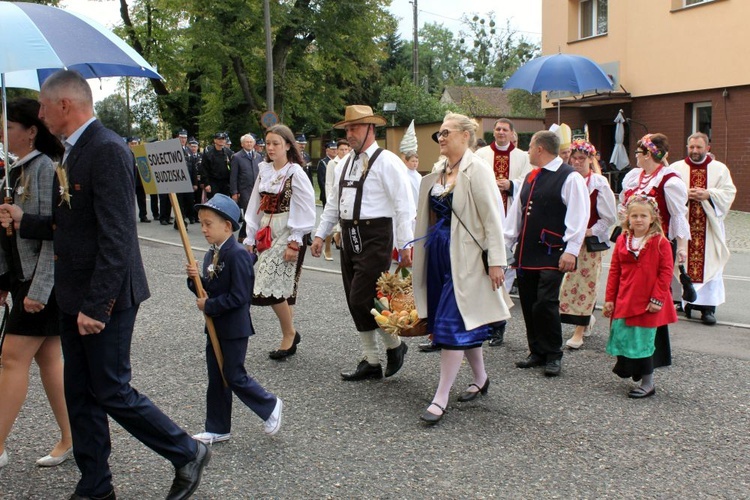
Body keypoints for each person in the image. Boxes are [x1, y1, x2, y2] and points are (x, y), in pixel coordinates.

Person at [0, 70, 210, 500]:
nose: (39, 115)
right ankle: (95, 485)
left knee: (111, 389)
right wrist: (27, 221)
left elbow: (118, 237)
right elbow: (73, 224)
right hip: (75, 293)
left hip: (104, 295)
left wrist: (97, 306)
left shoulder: (107, 150)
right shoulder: (72, 153)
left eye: (42, 106)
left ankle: (186, 451)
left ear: (64, 106)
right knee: (80, 394)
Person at [412, 113, 511, 425]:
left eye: (446, 133)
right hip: (439, 253)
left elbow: (493, 219)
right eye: (438, 134)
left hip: (466, 258)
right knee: (463, 321)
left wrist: (496, 261)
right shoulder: (441, 170)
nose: (441, 138)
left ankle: (440, 396)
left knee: (452, 323)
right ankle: (480, 378)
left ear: (466, 136)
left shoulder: (477, 171)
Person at [310, 105, 415, 381]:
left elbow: (404, 206)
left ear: (371, 128)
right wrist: (321, 233)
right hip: (348, 235)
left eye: (354, 127)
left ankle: (394, 345)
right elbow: (333, 202)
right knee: (353, 298)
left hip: (376, 236)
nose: (349, 133)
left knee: (362, 297)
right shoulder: (345, 162)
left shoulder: (388, 161)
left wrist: (405, 245)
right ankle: (371, 360)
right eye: (347, 128)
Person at [0, 98, 72, 469]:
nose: (3, 130)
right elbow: (10, 236)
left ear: (30, 131)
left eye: (9, 125)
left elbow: (52, 235)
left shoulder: (44, 169)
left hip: (40, 284)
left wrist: (39, 290)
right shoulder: (15, 171)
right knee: (48, 359)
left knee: (12, 358)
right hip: (21, 279)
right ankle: (72, 435)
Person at [187, 194, 283, 444]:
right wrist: (194, 279)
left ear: (227, 226)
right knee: (216, 377)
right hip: (215, 326)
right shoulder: (211, 254)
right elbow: (208, 288)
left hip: (233, 328)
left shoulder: (237, 254)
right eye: (201, 223)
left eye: (208, 223)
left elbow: (240, 297)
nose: (203, 229)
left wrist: (209, 305)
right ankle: (217, 427)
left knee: (233, 374)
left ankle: (270, 405)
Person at [504, 130, 589, 377]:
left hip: (553, 252)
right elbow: (516, 215)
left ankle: (553, 353)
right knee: (530, 302)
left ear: (540, 148)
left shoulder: (569, 177)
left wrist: (571, 250)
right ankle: (537, 351)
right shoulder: (531, 176)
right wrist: (507, 243)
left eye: (530, 147)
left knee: (546, 302)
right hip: (527, 252)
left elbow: (578, 216)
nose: (528, 151)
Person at [243, 125, 316, 360]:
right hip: (267, 228)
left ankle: (289, 334)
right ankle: (289, 335)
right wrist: (250, 235)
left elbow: (306, 207)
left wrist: (295, 241)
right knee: (280, 286)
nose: (271, 147)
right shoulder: (264, 169)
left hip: (288, 229)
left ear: (287, 145)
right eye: (268, 143)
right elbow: (255, 203)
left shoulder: (295, 172)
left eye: (276, 143)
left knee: (266, 282)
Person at [620, 133, 689, 368]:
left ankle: (654, 355)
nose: (636, 157)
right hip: (631, 244)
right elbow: (624, 207)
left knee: (653, 298)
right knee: (629, 294)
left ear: (649, 154)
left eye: (639, 152)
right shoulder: (634, 177)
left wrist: (681, 247)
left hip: (656, 247)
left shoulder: (669, 181)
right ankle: (630, 349)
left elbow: (679, 216)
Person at [603, 194, 677, 398]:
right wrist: (609, 299)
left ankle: (648, 382)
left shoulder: (660, 242)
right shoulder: (622, 240)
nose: (638, 219)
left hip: (648, 301)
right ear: (627, 217)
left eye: (643, 215)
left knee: (644, 341)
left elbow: (665, 272)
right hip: (626, 297)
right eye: (634, 215)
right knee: (626, 336)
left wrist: (657, 299)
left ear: (652, 218)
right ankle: (632, 370)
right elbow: (615, 271)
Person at [476, 118, 533, 347]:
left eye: (505, 130)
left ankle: (498, 326)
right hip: (484, 220)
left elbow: (527, 181)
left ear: (512, 134)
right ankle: (483, 323)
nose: (500, 132)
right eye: (497, 129)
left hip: (509, 220)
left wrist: (511, 184)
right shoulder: (481, 155)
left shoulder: (522, 157)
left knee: (504, 274)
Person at [672, 133, 736, 325]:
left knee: (710, 264)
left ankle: (708, 309)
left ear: (708, 148)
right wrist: (684, 193)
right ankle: (685, 304)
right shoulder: (676, 168)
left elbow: (729, 193)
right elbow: (668, 191)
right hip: (683, 227)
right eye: (691, 147)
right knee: (680, 262)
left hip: (709, 228)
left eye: (699, 147)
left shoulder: (719, 169)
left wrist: (709, 194)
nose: (695, 151)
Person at [559, 139, 617, 349]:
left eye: (581, 159)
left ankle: (579, 329)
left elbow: (609, 217)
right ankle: (583, 319)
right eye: (573, 158)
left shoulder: (598, 183)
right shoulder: (565, 180)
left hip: (587, 243)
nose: (576, 162)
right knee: (565, 284)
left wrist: (589, 231)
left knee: (585, 284)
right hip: (565, 240)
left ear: (590, 160)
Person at [321, 139, 350, 261]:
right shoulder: (333, 163)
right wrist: (330, 200)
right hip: (334, 196)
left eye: (346, 150)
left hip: (346, 198)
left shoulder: (350, 162)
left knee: (344, 225)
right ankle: (327, 248)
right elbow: (328, 183)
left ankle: (344, 249)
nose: (344, 152)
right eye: (341, 150)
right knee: (331, 225)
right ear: (337, 151)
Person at [230, 134, 262, 241]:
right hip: (244, 189)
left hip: (256, 188)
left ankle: (245, 234)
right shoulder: (237, 157)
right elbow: (233, 176)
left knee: (256, 212)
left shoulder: (258, 156)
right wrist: (234, 191)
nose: (249, 144)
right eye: (247, 142)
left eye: (251, 142)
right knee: (249, 211)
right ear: (242, 144)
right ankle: (244, 234)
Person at [202, 131, 233, 199]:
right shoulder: (208, 154)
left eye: (223, 139)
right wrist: (207, 184)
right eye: (219, 139)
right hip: (213, 183)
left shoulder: (229, 152)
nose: (221, 141)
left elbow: (232, 168)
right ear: (215, 140)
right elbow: (204, 170)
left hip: (226, 183)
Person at [317, 141, 336, 207]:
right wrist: (327, 193)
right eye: (332, 149)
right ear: (327, 150)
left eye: (336, 149)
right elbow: (321, 181)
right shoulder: (323, 162)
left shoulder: (339, 161)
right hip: (326, 194)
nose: (335, 151)